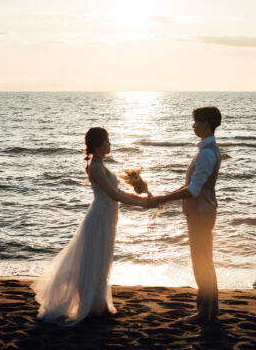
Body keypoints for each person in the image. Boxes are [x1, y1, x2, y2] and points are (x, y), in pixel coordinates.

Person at [31, 127, 147, 326]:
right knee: (95, 259)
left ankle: (98, 303)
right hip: (100, 216)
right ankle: (91, 305)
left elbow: (117, 190)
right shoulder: (94, 167)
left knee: (103, 258)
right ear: (98, 145)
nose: (110, 144)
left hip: (108, 215)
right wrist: (142, 204)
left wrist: (138, 196)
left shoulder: (101, 164)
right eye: (107, 141)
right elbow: (113, 195)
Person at [148, 106, 222, 323]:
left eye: (196, 122)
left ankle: (204, 314)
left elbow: (193, 190)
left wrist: (162, 198)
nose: (193, 126)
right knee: (205, 261)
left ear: (207, 124)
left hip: (201, 212)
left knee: (201, 263)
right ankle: (210, 311)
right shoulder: (207, 150)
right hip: (202, 211)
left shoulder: (207, 154)